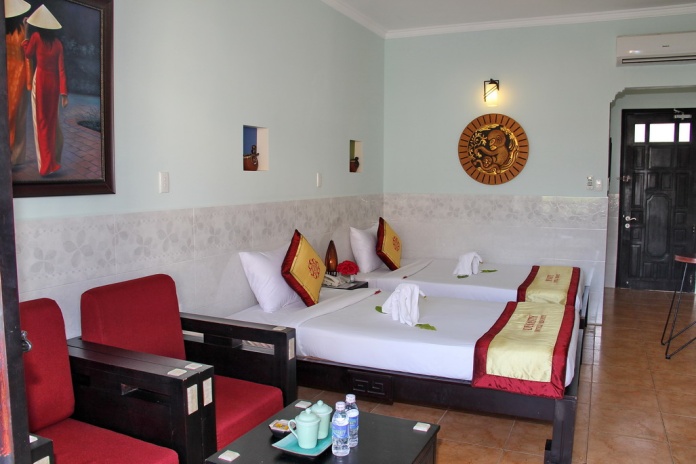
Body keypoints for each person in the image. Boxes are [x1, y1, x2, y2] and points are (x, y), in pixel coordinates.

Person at [22, 4, 68, 176]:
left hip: (40, 81)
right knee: (50, 122)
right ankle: (52, 162)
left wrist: (26, 32)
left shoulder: (35, 37)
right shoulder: (58, 44)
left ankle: (45, 166)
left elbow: (28, 54)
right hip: (54, 84)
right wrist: (64, 94)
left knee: (40, 122)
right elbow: (61, 70)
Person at [5, 0, 31, 166]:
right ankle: (15, 155)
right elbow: (26, 53)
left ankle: (9, 153)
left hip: (7, 73)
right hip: (19, 73)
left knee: (10, 114)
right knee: (17, 115)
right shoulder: (22, 29)